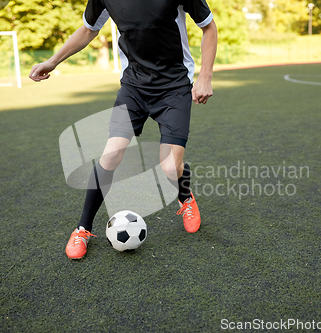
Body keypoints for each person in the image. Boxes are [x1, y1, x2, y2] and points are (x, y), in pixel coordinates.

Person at [29, 0, 218, 260]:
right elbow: (88, 29)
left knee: (169, 166)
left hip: (174, 86)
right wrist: (53, 61)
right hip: (134, 86)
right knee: (111, 154)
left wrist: (205, 76)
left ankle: (185, 197)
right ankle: (82, 229)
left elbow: (209, 27)